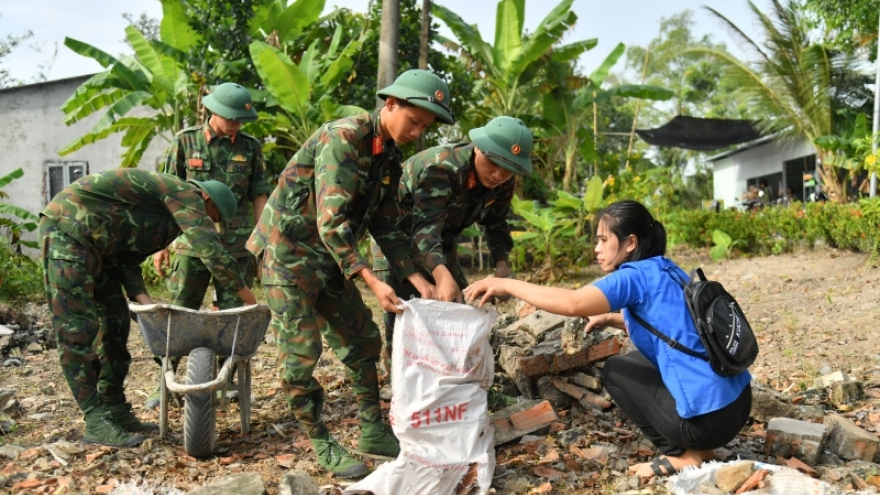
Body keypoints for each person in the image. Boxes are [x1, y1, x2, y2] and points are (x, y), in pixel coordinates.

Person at [247, 69, 455, 478]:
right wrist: (373, 280)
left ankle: (372, 430)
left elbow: (386, 223)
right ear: (390, 104)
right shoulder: (345, 138)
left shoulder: (389, 156)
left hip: (328, 258)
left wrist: (418, 279)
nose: (417, 132)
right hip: (286, 255)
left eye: (426, 127)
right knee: (300, 353)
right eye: (414, 121)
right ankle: (320, 437)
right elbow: (332, 221)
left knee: (363, 336)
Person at [463, 200, 752, 478]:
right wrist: (612, 318)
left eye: (603, 240)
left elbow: (573, 302)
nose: (597, 249)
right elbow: (673, 327)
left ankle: (682, 454)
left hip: (708, 425)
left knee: (616, 370)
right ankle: (704, 447)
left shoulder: (632, 278)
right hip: (738, 404)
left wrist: (505, 283)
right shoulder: (665, 267)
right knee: (637, 359)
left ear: (630, 243)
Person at [40, 169, 256, 448]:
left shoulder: (167, 219)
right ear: (206, 199)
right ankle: (95, 419)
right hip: (68, 229)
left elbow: (125, 255)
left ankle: (114, 408)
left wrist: (145, 301)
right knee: (77, 328)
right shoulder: (185, 194)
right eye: (211, 216)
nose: (208, 223)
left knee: (116, 322)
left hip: (101, 246)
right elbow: (212, 253)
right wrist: (250, 301)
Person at [370, 115, 532, 408]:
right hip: (395, 236)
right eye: (493, 164)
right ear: (478, 149)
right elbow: (423, 228)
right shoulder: (443, 166)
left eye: (508, 170)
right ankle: (404, 393)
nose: (498, 175)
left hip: (439, 237)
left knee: (458, 310)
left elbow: (496, 224)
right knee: (403, 314)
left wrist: (502, 266)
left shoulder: (503, 180)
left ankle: (465, 388)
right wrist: (440, 274)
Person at [146, 82, 272, 410]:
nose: (235, 124)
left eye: (240, 120)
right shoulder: (185, 141)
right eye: (230, 117)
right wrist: (161, 243)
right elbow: (166, 193)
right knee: (178, 311)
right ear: (213, 110)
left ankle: (226, 383)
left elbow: (259, 192)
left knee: (234, 317)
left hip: (236, 244)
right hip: (190, 244)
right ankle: (165, 384)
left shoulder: (251, 146)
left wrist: (261, 240)